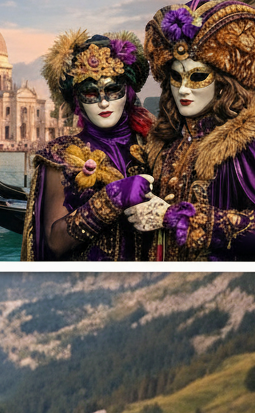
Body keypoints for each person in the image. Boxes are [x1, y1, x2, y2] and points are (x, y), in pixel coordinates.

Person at [125, 0, 255, 262]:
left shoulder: (244, 143)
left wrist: (174, 218)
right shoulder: (165, 145)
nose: (183, 89)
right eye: (176, 78)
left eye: (198, 77)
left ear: (222, 82)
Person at [20, 31, 155, 261]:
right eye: (91, 93)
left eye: (113, 90)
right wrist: (114, 198)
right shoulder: (61, 155)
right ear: (78, 101)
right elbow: (54, 242)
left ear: (128, 92)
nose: (104, 102)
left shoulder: (153, 145)